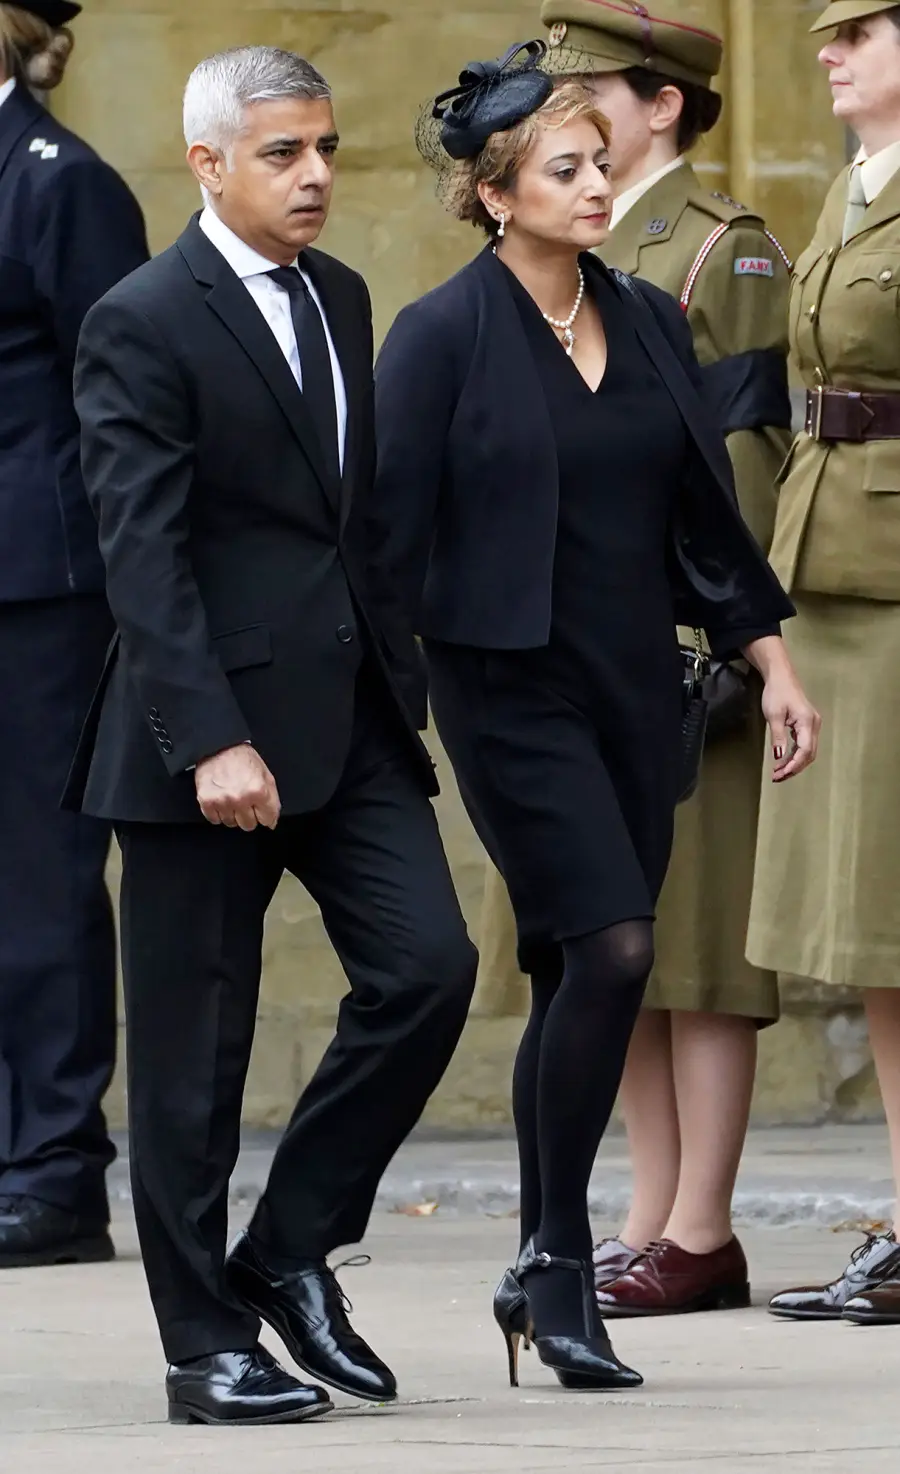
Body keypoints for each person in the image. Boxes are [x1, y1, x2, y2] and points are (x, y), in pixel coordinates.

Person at [373, 42, 819, 1391]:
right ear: (498, 192)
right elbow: (384, 543)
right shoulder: (440, 336)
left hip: (635, 684)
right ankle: (559, 1258)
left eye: (598, 160)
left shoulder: (647, 316)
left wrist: (773, 659)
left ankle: (544, 1267)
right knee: (617, 946)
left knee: (581, 968)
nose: (596, 180)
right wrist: (372, 719)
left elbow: (703, 518)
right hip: (506, 689)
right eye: (564, 168)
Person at [69, 45, 477, 1427]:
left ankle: (289, 1244)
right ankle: (205, 1349)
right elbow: (145, 551)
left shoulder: (342, 293)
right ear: (207, 164)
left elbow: (338, 519)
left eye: (325, 150)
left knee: (429, 967)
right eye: (283, 153)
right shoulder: (140, 319)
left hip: (348, 718)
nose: (314, 175)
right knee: (192, 1063)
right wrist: (210, 737)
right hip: (202, 741)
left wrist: (398, 672)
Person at [543, 0, 790, 1316]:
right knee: (615, 937)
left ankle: (702, 1225)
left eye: (598, 97)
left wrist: (725, 635)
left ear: (666, 105)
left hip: (682, 648)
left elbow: (749, 454)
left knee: (698, 953)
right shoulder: (566, 235)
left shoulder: (717, 249)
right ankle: (645, 1211)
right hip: (587, 639)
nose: (570, 120)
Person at [746, 0, 900, 1328]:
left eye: (858, 26)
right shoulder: (860, 186)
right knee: (877, 933)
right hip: (840, 571)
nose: (826, 47)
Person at [0, 0, 148, 1268]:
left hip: (39, 585)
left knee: (40, 877)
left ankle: (55, 1170)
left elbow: (117, 403)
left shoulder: (65, 182)